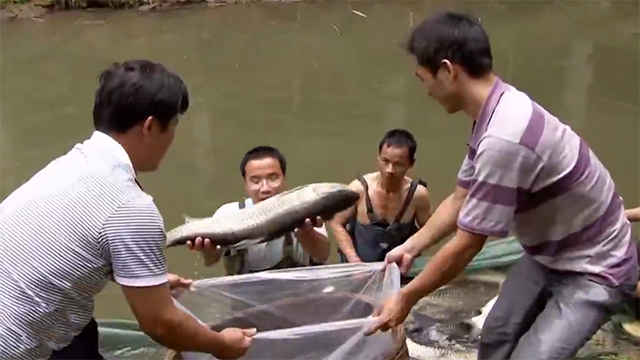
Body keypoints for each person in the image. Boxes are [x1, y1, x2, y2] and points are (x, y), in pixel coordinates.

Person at [368, 13, 639, 360]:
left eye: (425, 79)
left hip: (597, 265)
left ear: (449, 71)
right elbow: (461, 197)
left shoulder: (505, 136)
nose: (426, 91)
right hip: (550, 252)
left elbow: (468, 244)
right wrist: (412, 245)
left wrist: (407, 297)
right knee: (497, 334)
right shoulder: (495, 110)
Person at [0, 60, 254, 360]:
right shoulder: (129, 206)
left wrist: (140, 279)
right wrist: (221, 344)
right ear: (149, 126)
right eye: (172, 125)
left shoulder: (70, 164)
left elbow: (63, 246)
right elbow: (161, 323)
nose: (172, 138)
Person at [188, 146, 330, 274]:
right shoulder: (228, 214)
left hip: (297, 298)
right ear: (246, 184)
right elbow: (211, 261)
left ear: (284, 179)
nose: (265, 188)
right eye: (255, 181)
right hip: (244, 301)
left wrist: (306, 232)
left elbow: (322, 255)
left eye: (273, 178)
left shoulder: (306, 208)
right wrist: (208, 251)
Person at [330, 129, 431, 263]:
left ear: (411, 163)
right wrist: (353, 258)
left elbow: (430, 232)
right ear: (378, 157)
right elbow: (336, 223)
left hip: (399, 270)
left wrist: (412, 252)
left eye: (398, 164)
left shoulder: (418, 195)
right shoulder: (358, 189)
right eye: (385, 161)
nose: (390, 170)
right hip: (358, 270)